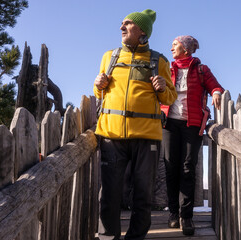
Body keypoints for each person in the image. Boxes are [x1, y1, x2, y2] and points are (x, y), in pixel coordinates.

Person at [93, 9, 177, 240]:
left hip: (146, 136)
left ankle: (135, 237)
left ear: (142, 31)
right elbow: (99, 93)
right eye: (122, 23)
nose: (121, 27)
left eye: (127, 24)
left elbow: (170, 97)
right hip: (111, 135)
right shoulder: (110, 56)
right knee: (109, 193)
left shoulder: (159, 60)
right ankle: (108, 237)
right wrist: (98, 83)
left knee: (143, 193)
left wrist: (163, 86)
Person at [160, 35, 224, 236]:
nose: (171, 48)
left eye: (175, 45)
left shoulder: (201, 69)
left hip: (192, 123)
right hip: (169, 123)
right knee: (170, 167)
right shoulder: (168, 69)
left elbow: (215, 86)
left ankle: (186, 216)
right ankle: (173, 213)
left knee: (188, 168)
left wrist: (215, 93)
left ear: (186, 49)